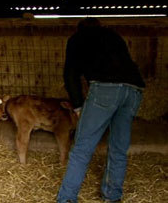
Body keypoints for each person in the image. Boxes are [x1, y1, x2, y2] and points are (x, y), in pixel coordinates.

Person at [57, 18, 145, 203]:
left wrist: (78, 106)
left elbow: (70, 74)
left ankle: (66, 199)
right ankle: (112, 197)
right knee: (119, 148)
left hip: (106, 89)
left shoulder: (77, 38)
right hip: (133, 90)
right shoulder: (114, 35)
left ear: (79, 28)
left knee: (81, 149)